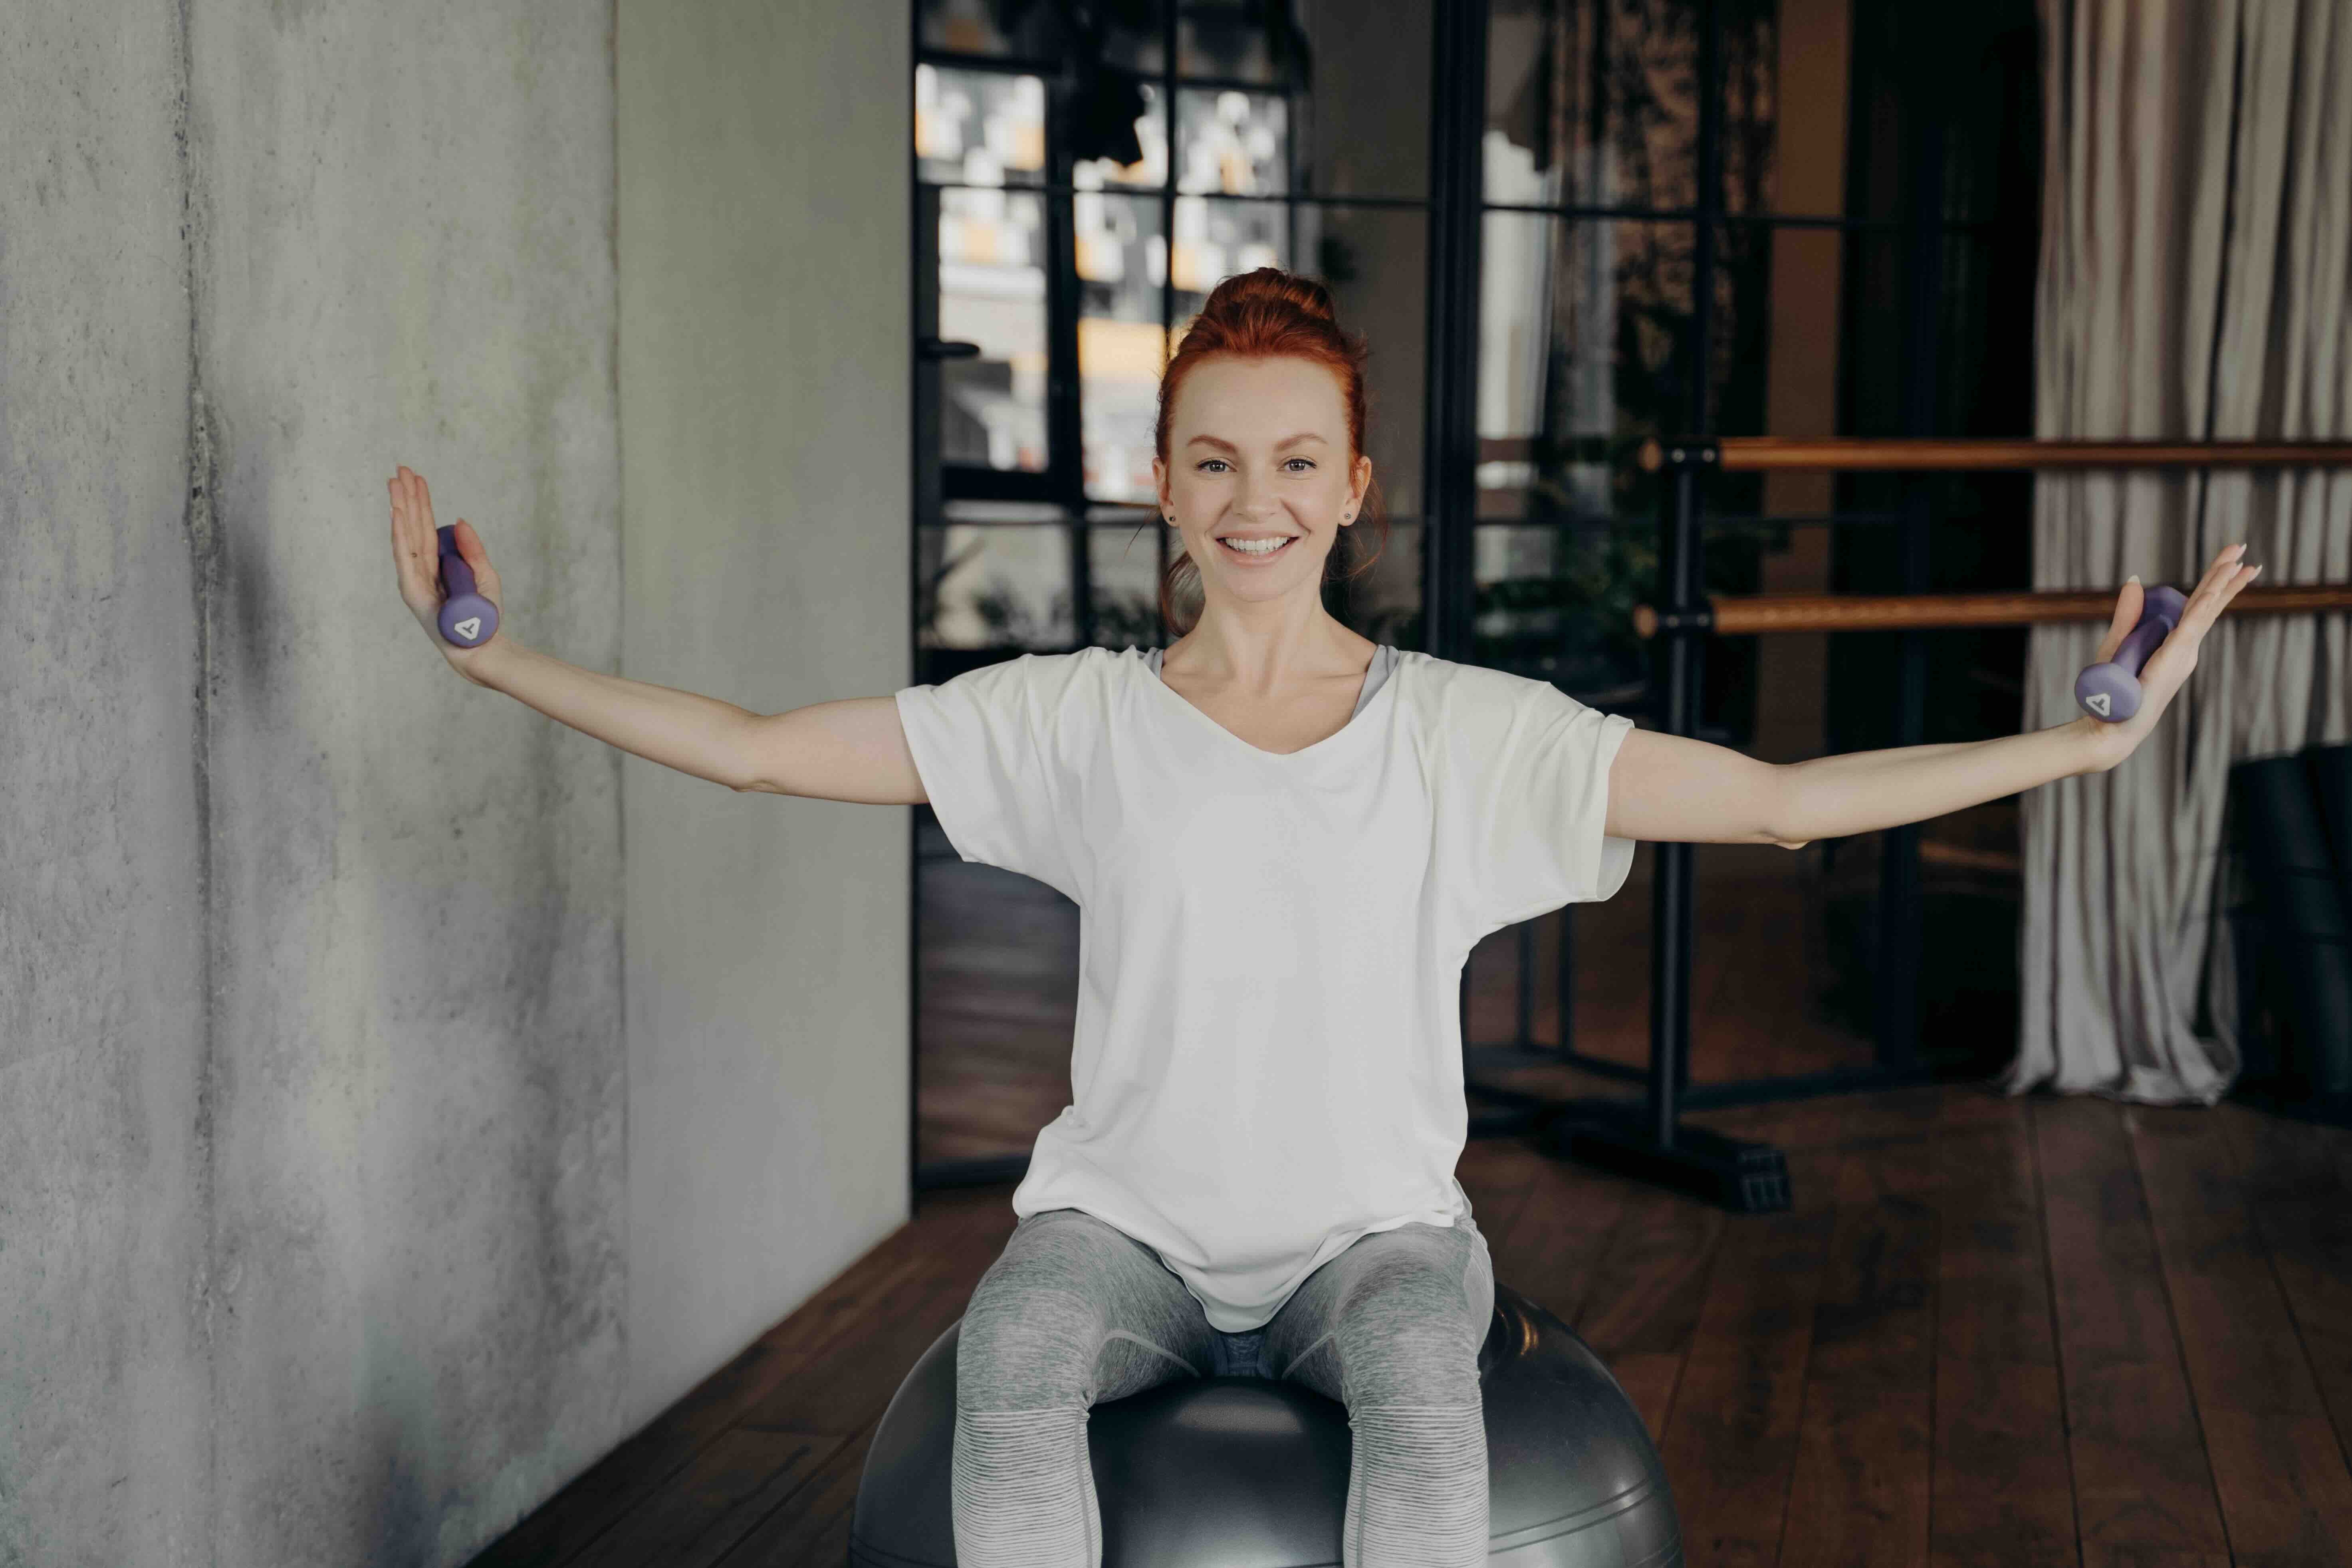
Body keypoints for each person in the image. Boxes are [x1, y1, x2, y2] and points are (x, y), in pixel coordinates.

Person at [386, 268, 2259, 1568]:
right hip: (1119, 1228)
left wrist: (2080, 753)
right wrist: (496, 660)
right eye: (1214, 461)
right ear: (1165, 493)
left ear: (1354, 487)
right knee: (1016, 1363)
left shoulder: (1460, 735)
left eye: (1296, 461)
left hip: (1370, 1241)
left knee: (1434, 1427)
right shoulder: (1079, 721)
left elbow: (1773, 803)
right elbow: (757, 750)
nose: (1254, 497)